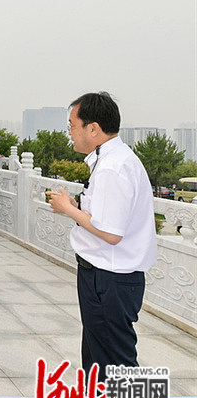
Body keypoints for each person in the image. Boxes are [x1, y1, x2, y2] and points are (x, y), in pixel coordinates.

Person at [47, 92, 156, 383]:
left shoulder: (112, 167)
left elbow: (111, 233)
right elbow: (106, 218)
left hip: (110, 277)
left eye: (72, 126)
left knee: (115, 362)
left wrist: (68, 209)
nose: (70, 133)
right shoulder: (110, 160)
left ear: (93, 128)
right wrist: (78, 207)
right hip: (105, 274)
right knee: (99, 357)